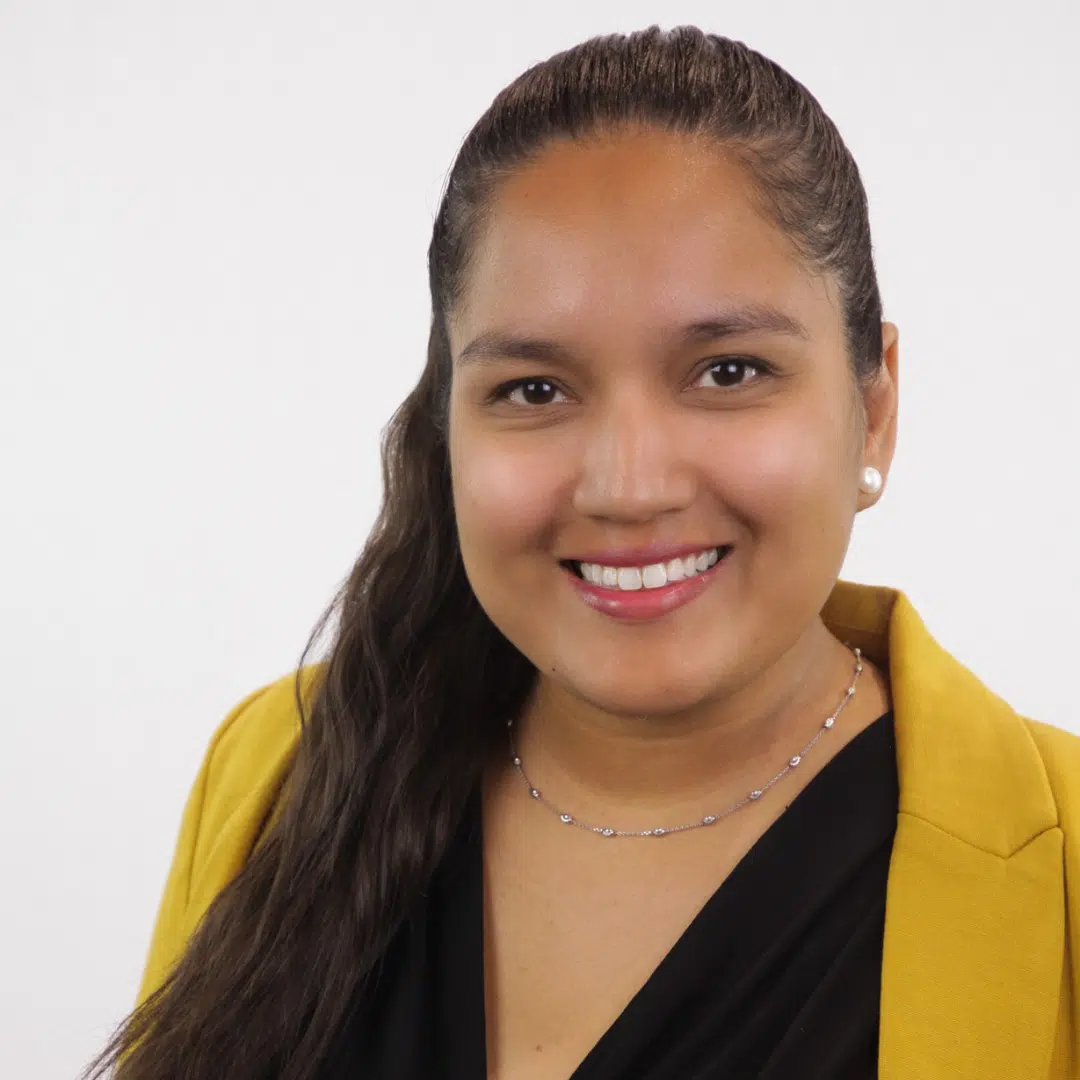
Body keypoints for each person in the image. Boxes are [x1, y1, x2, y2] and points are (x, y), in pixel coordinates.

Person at [85, 25, 1079, 1080]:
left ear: (872, 408)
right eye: (535, 390)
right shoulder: (280, 772)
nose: (629, 484)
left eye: (729, 371)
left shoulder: (1059, 871)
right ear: (449, 426)